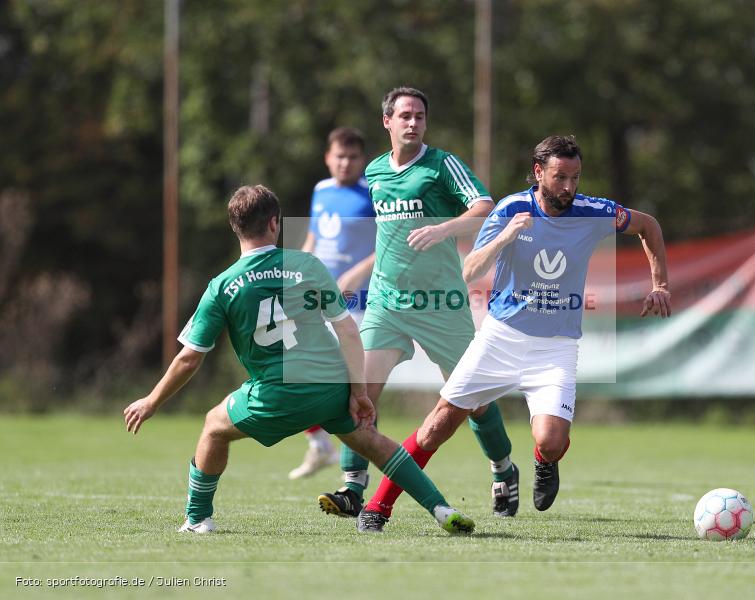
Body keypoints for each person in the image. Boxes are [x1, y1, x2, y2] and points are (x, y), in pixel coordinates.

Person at [123, 184, 474, 535]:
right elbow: (349, 333)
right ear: (275, 223)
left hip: (275, 396)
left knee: (214, 427)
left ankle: (198, 519)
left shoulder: (222, 286)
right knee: (375, 444)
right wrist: (358, 393)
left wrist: (152, 401)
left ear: (234, 227)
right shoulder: (307, 265)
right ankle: (441, 508)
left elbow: (189, 359)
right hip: (329, 390)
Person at [358, 135, 671, 524]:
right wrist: (505, 237)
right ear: (539, 172)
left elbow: (649, 226)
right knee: (436, 426)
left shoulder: (593, 211)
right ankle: (377, 506)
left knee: (551, 441)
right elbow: (468, 269)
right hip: (500, 338)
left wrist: (659, 285)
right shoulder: (511, 209)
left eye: (575, 177)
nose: (569, 187)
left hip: (555, 346)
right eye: (560, 177)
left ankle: (544, 461)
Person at [316, 87, 518, 531]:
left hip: (440, 302)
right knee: (359, 393)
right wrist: (358, 274)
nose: (413, 122)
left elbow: (484, 209)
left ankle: (503, 469)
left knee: (473, 400)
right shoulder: (374, 172)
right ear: (386, 121)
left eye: (420, 116)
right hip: (387, 301)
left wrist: (443, 228)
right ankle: (353, 488)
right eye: (405, 115)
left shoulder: (442, 164)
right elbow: (387, 233)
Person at [288, 127, 376, 480]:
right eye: (339, 156)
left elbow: (387, 245)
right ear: (328, 157)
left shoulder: (372, 193)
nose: (345, 163)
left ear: (362, 160)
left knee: (353, 383)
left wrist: (355, 275)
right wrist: (297, 272)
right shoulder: (321, 191)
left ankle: (354, 471)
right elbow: (314, 236)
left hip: (359, 301)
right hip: (318, 298)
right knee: (295, 368)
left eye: (353, 157)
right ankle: (320, 444)